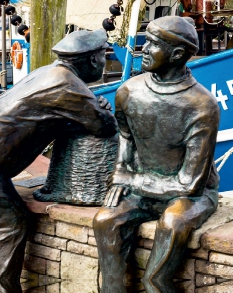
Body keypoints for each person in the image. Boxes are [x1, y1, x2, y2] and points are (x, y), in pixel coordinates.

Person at [0, 29, 118, 293]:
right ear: (93, 60)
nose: (105, 62)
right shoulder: (69, 85)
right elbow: (104, 126)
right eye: (103, 57)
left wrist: (91, 105)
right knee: (11, 221)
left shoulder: (47, 72)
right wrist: (100, 107)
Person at [94, 16, 220, 293]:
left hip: (187, 194)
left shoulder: (201, 106)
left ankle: (157, 285)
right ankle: (111, 287)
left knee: (173, 223)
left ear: (176, 54)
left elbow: (190, 184)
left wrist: (130, 180)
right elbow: (126, 137)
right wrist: (119, 176)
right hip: (140, 186)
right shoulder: (128, 91)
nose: (144, 50)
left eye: (153, 44)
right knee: (105, 220)